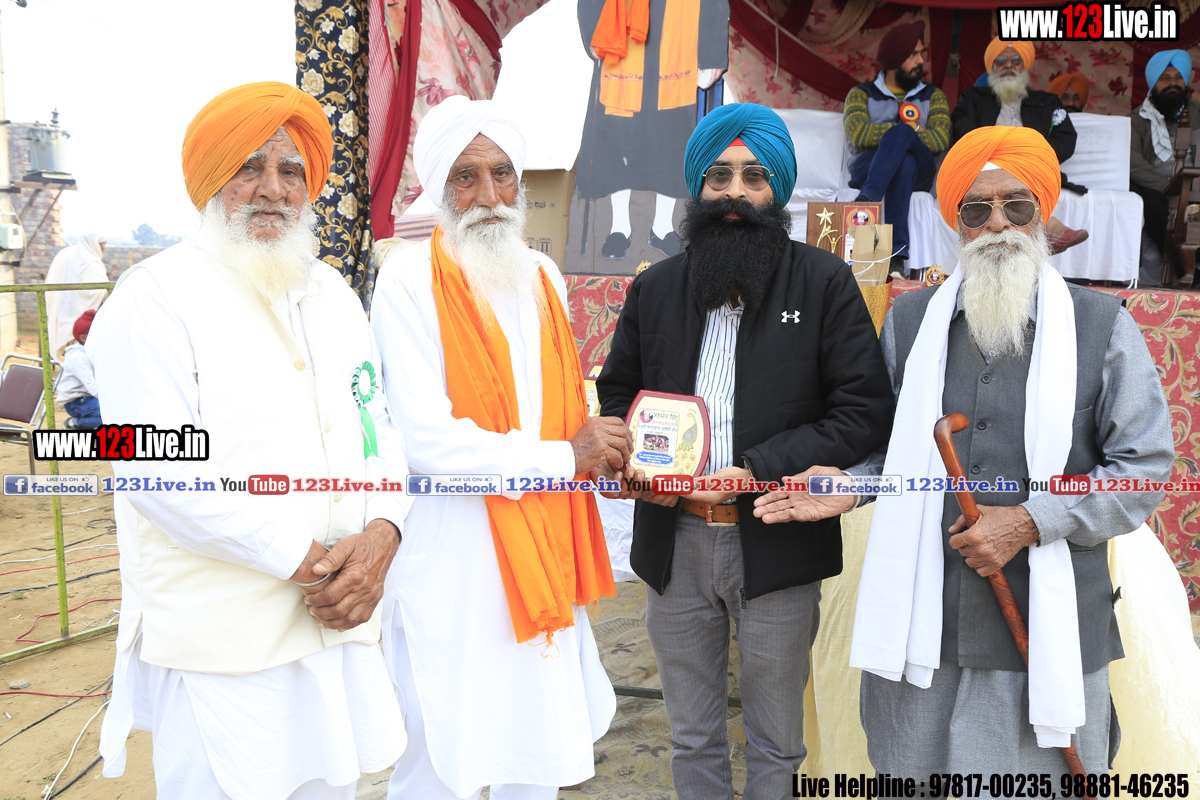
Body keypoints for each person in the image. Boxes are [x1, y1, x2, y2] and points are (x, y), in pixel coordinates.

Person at [754, 126, 1175, 779]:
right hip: (921, 620)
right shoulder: (910, 322)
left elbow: (1142, 470)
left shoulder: (1103, 325)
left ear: (1043, 214)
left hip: (1046, 624)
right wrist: (850, 485)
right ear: (956, 222)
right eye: (976, 210)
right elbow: (886, 451)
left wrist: (1032, 521)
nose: (997, 224)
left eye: (1016, 206)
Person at [92, 82, 410, 799]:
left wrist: (384, 532)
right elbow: (156, 476)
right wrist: (312, 564)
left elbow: (378, 430)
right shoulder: (154, 297)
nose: (273, 188)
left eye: (291, 169)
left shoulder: (333, 295)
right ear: (211, 179)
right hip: (224, 648)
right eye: (248, 166)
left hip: (336, 627)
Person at [596, 102, 895, 800]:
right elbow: (618, 397)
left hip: (777, 538)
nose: (735, 192)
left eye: (754, 177)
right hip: (675, 544)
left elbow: (863, 414)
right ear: (698, 187)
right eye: (720, 175)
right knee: (692, 737)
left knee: (775, 742)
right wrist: (632, 458)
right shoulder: (654, 288)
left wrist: (758, 468)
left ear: (777, 191)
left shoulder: (824, 283)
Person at [370, 94, 625, 800]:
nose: (488, 194)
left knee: (534, 742)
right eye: (466, 176)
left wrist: (593, 448)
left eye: (502, 173)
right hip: (456, 553)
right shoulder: (407, 279)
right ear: (438, 186)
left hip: (542, 536)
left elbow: (562, 409)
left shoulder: (541, 276)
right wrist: (563, 459)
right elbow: (425, 437)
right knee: (442, 746)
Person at [577, 0, 730, 260]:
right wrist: (594, 31)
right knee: (618, 138)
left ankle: (662, 227)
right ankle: (619, 228)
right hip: (623, 40)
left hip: (678, 36)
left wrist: (713, 53)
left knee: (670, 138)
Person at [953, 38, 1088, 254]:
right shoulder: (973, 98)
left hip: (1033, 166)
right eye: (1001, 61)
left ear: (1025, 65)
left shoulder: (1047, 101)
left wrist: (1031, 153)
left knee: (1026, 180)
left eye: (1016, 60)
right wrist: (1000, 153)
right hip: (987, 168)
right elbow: (963, 134)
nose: (1008, 65)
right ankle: (1049, 227)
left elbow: (1066, 139)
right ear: (991, 67)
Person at [844, 21, 951, 276]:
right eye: (913, 54)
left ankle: (868, 199)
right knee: (904, 162)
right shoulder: (860, 94)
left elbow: (940, 139)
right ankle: (897, 258)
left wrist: (903, 132)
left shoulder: (933, 95)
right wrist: (913, 130)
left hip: (921, 173)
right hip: (868, 168)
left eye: (922, 53)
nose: (921, 60)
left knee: (903, 135)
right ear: (894, 58)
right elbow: (859, 134)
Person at [1129, 50, 1200, 274]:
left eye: (1178, 77)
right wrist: (1169, 188)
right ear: (1153, 83)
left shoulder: (1198, 113)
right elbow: (1132, 162)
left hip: (1196, 184)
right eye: (1165, 78)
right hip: (1157, 189)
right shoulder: (1136, 119)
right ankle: (1185, 269)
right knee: (1149, 201)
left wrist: (1190, 188)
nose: (1173, 83)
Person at [44, 231, 107, 362]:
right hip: (76, 313)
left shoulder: (66, 254)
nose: (105, 248)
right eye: (103, 244)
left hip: (63, 310)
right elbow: (100, 290)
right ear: (95, 244)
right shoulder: (92, 262)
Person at [55, 309, 101, 429]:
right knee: (109, 415)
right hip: (77, 401)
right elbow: (92, 386)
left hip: (87, 398)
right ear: (84, 337)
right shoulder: (78, 358)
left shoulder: (89, 353)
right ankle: (73, 423)